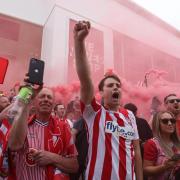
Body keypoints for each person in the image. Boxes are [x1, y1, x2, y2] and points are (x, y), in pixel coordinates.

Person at [74, 21, 143, 180]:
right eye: (110, 85)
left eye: (118, 86)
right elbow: (85, 79)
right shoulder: (94, 112)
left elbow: (136, 150)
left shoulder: (129, 116)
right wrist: (79, 41)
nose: (116, 88)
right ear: (101, 93)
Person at [0, 86, 78, 180]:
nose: (46, 99)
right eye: (42, 96)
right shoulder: (22, 124)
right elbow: (14, 145)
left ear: (53, 104)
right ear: (34, 102)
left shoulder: (63, 128)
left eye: (49, 97)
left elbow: (74, 166)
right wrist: (26, 97)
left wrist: (52, 157)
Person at [143, 111, 180, 180]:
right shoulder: (152, 143)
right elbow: (146, 170)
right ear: (157, 124)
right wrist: (164, 167)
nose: (170, 123)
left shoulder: (178, 142)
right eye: (165, 121)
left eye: (172, 121)